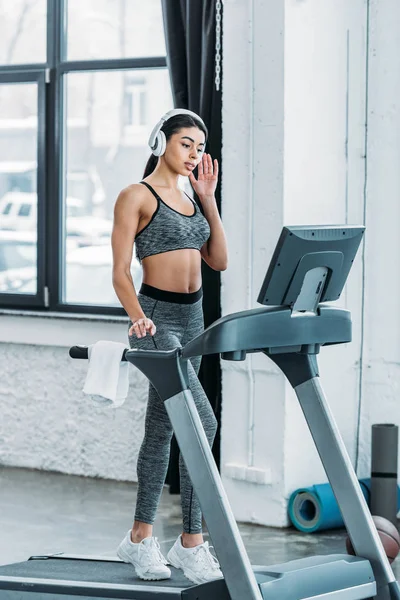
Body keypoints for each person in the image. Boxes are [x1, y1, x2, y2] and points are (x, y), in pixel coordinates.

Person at [111, 108, 228, 585]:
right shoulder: (136, 195)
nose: (194, 154)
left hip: (194, 316)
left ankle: (142, 539)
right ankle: (191, 542)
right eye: (185, 144)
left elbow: (218, 259)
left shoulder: (191, 197)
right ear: (160, 143)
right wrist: (138, 318)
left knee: (164, 428)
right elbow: (120, 272)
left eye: (199, 147)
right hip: (156, 319)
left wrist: (208, 199)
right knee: (202, 419)